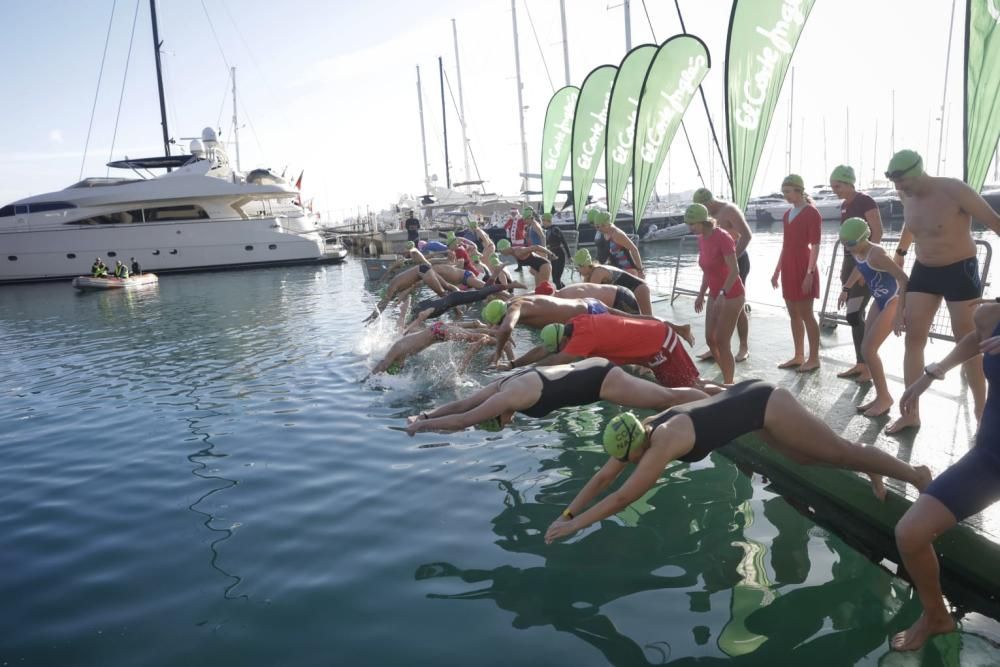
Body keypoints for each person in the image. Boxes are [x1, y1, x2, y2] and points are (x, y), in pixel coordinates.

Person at [544, 380, 932, 544]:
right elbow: (602, 479)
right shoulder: (639, 430)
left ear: (634, 444)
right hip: (748, 404)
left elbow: (620, 498)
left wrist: (579, 525)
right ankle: (871, 467)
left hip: (766, 404)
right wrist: (566, 514)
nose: (623, 464)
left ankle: (915, 475)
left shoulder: (662, 442)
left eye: (625, 459)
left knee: (837, 451)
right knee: (802, 456)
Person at [890, 300, 1000, 651]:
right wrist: (931, 372)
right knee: (910, 533)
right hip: (990, 459)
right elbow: (976, 337)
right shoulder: (991, 315)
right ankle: (936, 616)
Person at [884, 149, 1000, 434]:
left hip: (959, 271)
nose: (898, 188)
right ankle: (911, 413)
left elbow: (997, 223)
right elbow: (915, 226)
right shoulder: (905, 194)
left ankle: (980, 410)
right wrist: (901, 252)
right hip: (924, 269)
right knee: (913, 339)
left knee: (969, 343)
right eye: (895, 183)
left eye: (902, 181)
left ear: (917, 172)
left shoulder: (954, 190)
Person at [405, 357, 709, 434]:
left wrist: (421, 428)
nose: (505, 424)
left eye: (498, 423)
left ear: (497, 413)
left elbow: (463, 420)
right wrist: (426, 414)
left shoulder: (505, 399)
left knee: (665, 398)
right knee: (663, 396)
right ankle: (711, 393)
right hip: (590, 370)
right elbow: (463, 403)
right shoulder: (501, 386)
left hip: (600, 380)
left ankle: (713, 399)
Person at [516, 314, 714, 391]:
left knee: (688, 388)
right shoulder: (575, 323)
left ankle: (732, 397)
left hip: (660, 346)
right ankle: (730, 392)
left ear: (565, 341)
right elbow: (545, 350)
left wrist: (521, 376)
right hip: (657, 340)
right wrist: (514, 365)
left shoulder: (582, 340)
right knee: (688, 385)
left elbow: (556, 360)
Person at [838, 218, 908, 417]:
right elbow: (859, 268)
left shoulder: (876, 253)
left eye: (850, 244)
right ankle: (880, 395)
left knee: (869, 349)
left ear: (863, 238)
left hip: (893, 300)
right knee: (866, 349)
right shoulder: (858, 251)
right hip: (879, 300)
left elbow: (904, 280)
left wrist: (900, 313)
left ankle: (885, 397)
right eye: (844, 244)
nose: (847, 248)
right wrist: (846, 289)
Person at [830, 165, 883, 382]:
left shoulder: (865, 201)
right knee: (853, 317)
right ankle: (861, 363)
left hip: (863, 261)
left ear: (850, 182)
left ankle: (868, 365)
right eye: (832, 186)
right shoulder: (844, 205)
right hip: (848, 262)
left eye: (838, 185)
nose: (835, 190)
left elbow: (878, 232)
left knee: (855, 314)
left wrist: (867, 264)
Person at [686, 204, 745, 384]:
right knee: (710, 339)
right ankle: (726, 374)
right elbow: (707, 270)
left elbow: (734, 270)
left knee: (721, 340)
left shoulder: (722, 237)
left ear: (703, 222)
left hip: (731, 293)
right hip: (714, 293)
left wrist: (722, 293)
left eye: (692, 224)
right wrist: (701, 293)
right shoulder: (702, 238)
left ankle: (728, 382)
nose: (690, 228)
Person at [692, 188, 752, 362]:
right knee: (717, 304)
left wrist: (731, 258)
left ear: (710, 202)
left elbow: (746, 236)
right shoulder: (707, 217)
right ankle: (716, 346)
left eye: (704, 207)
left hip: (736, 258)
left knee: (736, 305)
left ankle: (743, 346)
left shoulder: (729, 210)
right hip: (719, 262)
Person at [771, 174, 822, 372]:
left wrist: (809, 273)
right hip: (789, 266)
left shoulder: (811, 213)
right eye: (783, 192)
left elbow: (816, 245)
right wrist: (777, 270)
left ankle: (814, 358)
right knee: (793, 313)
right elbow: (785, 245)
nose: (785, 195)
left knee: (807, 314)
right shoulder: (786, 215)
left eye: (788, 191)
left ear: (799, 190)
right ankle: (799, 355)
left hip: (803, 264)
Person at [369, 320, 506, 377]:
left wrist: (370, 377)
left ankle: (502, 342)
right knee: (471, 336)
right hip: (437, 332)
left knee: (474, 337)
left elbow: (383, 364)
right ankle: (496, 335)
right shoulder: (400, 353)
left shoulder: (396, 349)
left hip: (437, 333)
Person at [573, 248, 654, 316]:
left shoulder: (597, 272)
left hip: (639, 288)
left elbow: (591, 295)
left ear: (584, 265)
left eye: (577, 268)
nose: (577, 271)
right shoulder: (591, 274)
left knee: (649, 321)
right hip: (629, 293)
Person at [592, 210, 645, 278]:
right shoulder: (605, 233)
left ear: (607, 224)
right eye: (596, 227)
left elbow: (634, 249)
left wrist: (640, 270)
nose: (597, 229)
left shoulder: (617, 234)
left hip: (629, 270)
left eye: (598, 227)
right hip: (617, 270)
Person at [542, 213, 572, 289]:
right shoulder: (545, 230)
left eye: (543, 220)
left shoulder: (555, 229)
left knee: (556, 279)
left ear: (548, 221)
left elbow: (564, 242)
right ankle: (564, 290)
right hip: (552, 255)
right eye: (542, 220)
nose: (542, 222)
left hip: (559, 255)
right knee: (555, 279)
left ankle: (562, 293)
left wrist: (569, 256)